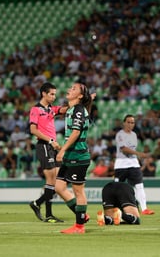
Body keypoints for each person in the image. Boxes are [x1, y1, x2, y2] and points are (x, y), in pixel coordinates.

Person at [55, 82, 93, 234]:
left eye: (74, 89)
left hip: (78, 156)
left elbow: (76, 133)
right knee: (59, 187)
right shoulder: (72, 109)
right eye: (70, 87)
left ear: (80, 96)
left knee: (78, 192)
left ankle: (79, 227)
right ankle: (81, 214)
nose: (70, 89)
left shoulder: (78, 110)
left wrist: (62, 150)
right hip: (70, 155)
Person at [29, 82, 65, 223]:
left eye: (55, 94)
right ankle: (39, 205)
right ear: (43, 93)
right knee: (51, 180)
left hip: (52, 147)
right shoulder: (36, 109)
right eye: (51, 94)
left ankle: (43, 208)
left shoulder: (52, 109)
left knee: (55, 182)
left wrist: (82, 101)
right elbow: (33, 130)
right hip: (44, 145)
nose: (54, 96)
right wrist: (51, 141)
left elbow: (65, 109)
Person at [114, 114, 155, 215]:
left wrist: (137, 155)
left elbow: (131, 149)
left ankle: (144, 209)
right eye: (128, 122)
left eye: (132, 122)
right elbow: (124, 149)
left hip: (134, 164)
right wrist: (139, 154)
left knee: (139, 186)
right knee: (117, 188)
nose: (130, 124)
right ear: (124, 123)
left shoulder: (134, 135)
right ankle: (115, 208)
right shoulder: (120, 134)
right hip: (121, 165)